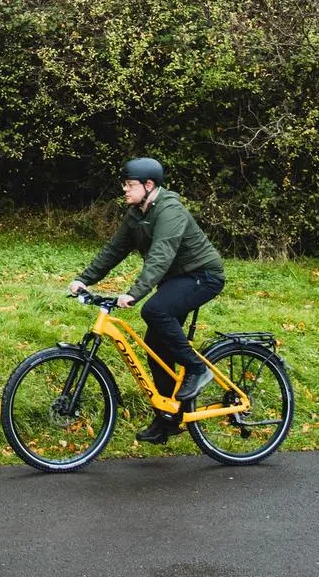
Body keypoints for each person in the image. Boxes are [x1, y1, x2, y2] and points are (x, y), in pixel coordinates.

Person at [68, 157, 225, 445]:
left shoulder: (169, 210)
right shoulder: (137, 213)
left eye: (129, 185)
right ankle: (167, 419)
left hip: (203, 276)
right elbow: (114, 250)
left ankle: (197, 368)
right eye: (125, 185)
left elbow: (161, 255)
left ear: (148, 185)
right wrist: (84, 279)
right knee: (156, 344)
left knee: (154, 310)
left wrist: (135, 292)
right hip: (175, 280)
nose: (125, 190)